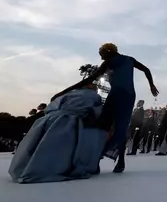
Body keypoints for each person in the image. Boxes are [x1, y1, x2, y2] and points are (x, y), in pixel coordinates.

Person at [51, 43, 159, 173]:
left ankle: (106, 160)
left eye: (102, 55)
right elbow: (146, 69)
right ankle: (113, 161)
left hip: (121, 96)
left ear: (108, 53)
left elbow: (89, 79)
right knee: (115, 126)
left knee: (108, 125)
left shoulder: (109, 62)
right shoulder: (129, 60)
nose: (101, 58)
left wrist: (63, 91)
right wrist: (151, 85)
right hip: (125, 95)